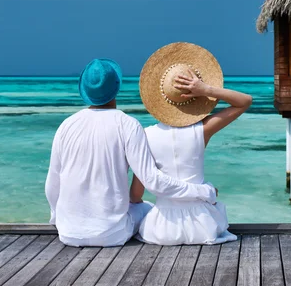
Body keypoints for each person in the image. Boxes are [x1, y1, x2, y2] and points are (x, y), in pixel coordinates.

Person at [45, 58, 217, 247]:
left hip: (67, 233)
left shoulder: (66, 126)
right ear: (117, 88)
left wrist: (56, 218)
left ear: (85, 91)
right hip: (112, 235)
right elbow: (153, 182)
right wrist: (203, 191)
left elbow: (53, 184)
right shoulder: (128, 125)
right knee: (148, 210)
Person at [132, 42, 252, 245]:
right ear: (194, 98)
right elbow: (245, 101)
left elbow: (136, 195)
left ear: (159, 99)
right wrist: (207, 89)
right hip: (203, 226)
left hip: (161, 229)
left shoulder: (145, 135)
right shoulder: (202, 131)